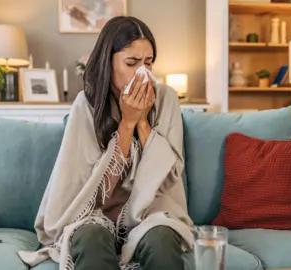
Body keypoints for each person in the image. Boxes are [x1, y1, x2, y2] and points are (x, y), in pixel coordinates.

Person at [18, 16, 194, 270]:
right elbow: (88, 188)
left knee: (162, 240)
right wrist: (127, 124)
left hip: (150, 213)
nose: (142, 72)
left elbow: (169, 178)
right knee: (90, 237)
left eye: (148, 62)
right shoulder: (86, 104)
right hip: (94, 215)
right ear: (107, 62)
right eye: (132, 63)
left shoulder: (166, 99)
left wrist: (143, 122)